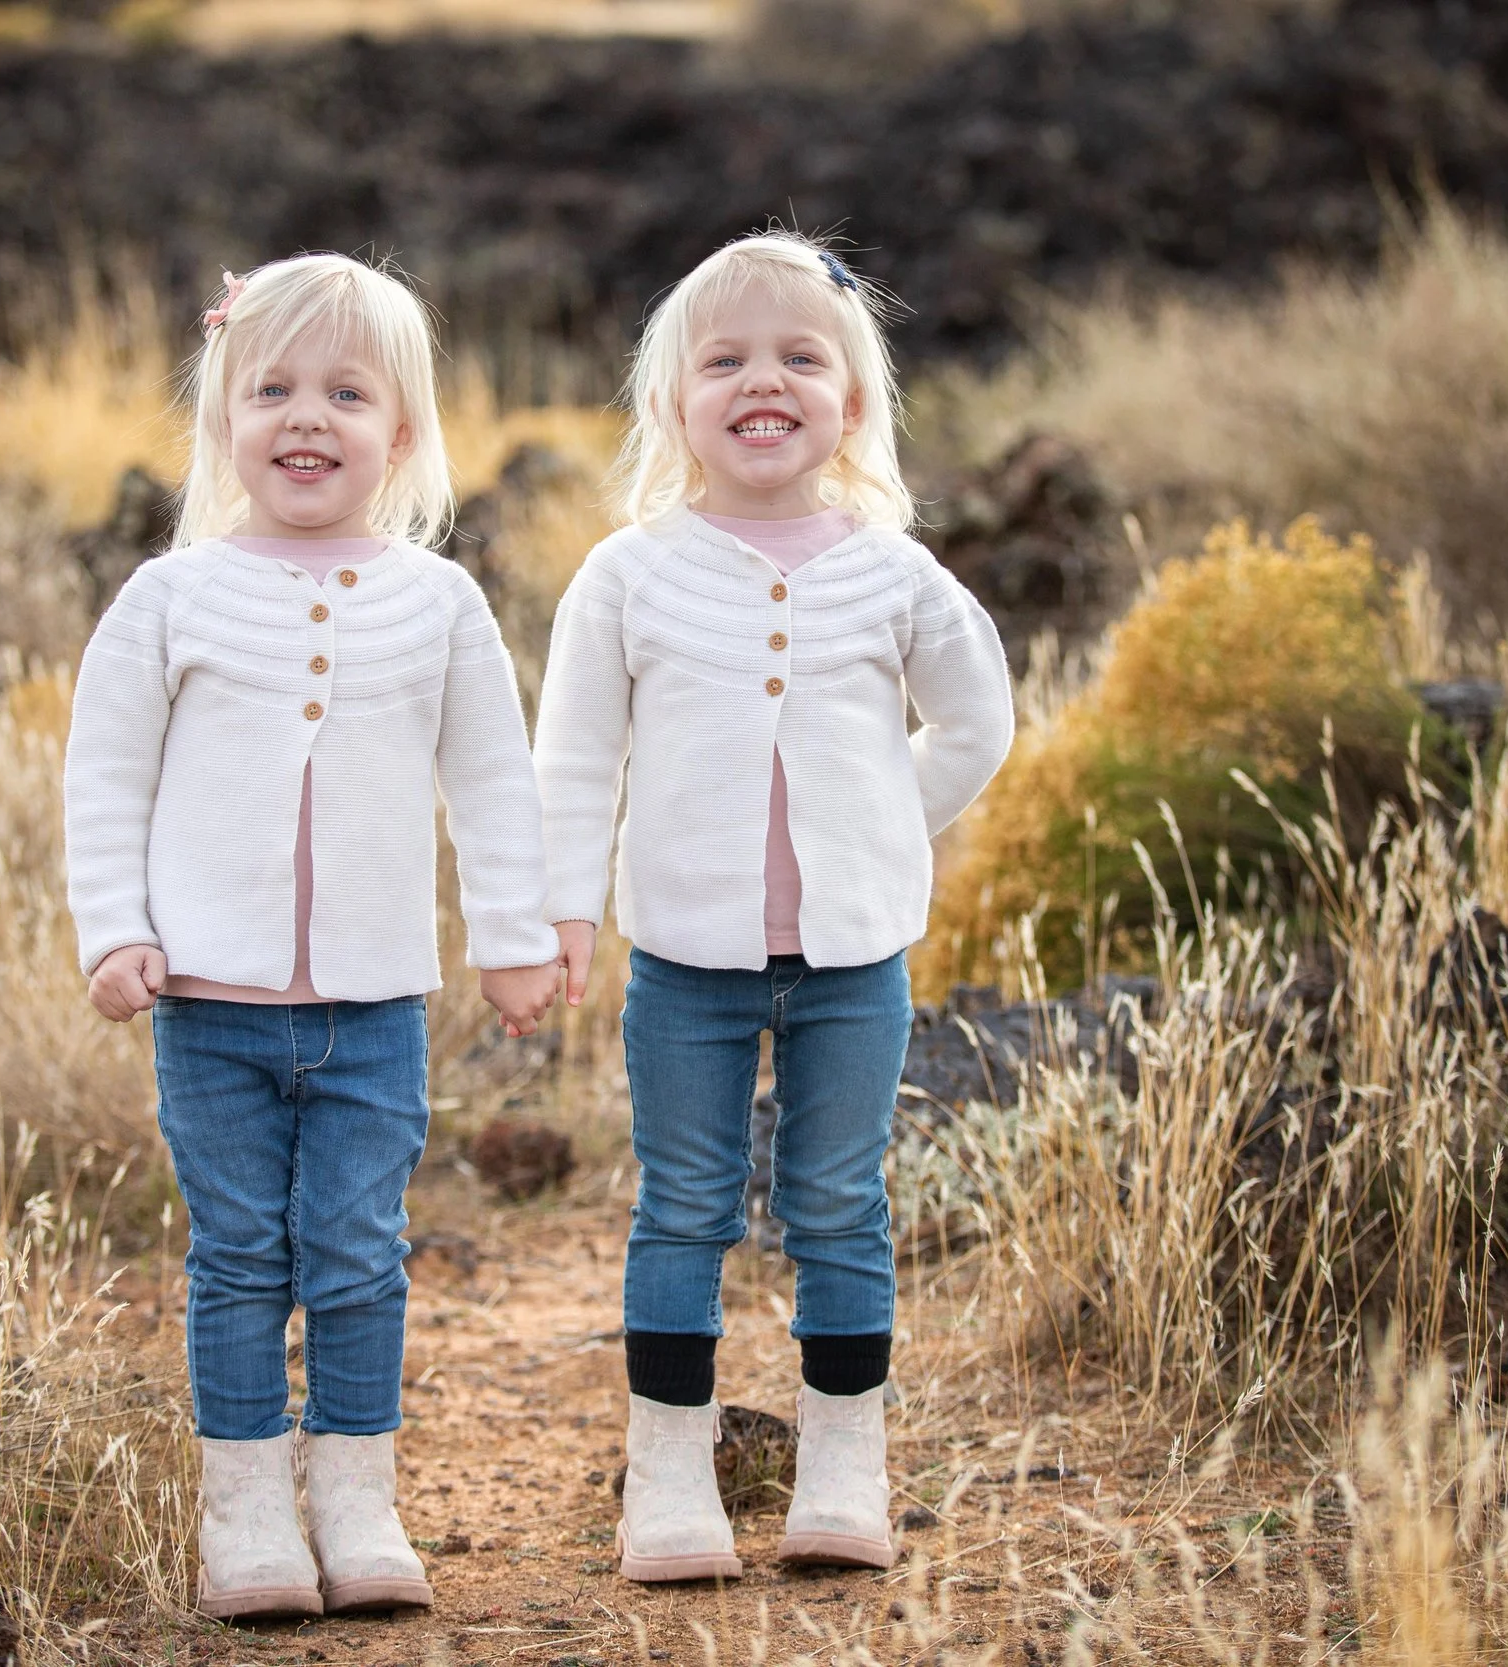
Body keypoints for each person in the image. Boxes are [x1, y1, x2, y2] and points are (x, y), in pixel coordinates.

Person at [64, 253, 563, 1618]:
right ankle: (246, 1513)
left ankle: (356, 1497)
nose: (306, 416)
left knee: (353, 1244)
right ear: (224, 417)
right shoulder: (170, 599)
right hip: (207, 1005)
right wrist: (114, 928)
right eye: (271, 387)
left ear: (400, 433)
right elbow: (104, 778)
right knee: (237, 1251)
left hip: (372, 1005)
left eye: (347, 391)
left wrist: (516, 938)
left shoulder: (439, 604)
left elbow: (494, 785)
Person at [534, 232, 1014, 1580]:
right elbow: (572, 759)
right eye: (727, 359)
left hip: (854, 962)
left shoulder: (894, 571)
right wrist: (560, 908)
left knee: (839, 1202)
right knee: (683, 1206)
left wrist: (876, 826)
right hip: (684, 962)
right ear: (674, 403)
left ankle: (841, 1471)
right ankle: (671, 1480)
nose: (765, 380)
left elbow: (976, 723)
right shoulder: (628, 575)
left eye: (802, 357)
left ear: (852, 402)